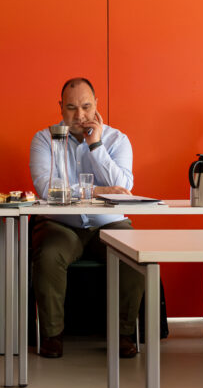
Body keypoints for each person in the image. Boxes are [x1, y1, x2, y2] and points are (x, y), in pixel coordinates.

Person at [28, 77, 144, 359]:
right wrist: (98, 190)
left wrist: (96, 147)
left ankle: (123, 333)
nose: (79, 115)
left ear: (96, 105)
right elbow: (48, 189)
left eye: (86, 106)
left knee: (134, 254)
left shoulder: (117, 140)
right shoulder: (44, 139)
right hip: (61, 224)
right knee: (49, 253)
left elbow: (124, 187)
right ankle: (52, 335)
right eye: (71, 108)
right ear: (60, 108)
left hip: (109, 222)